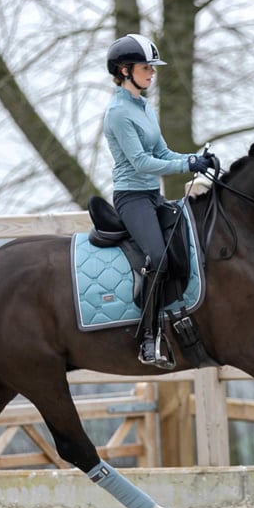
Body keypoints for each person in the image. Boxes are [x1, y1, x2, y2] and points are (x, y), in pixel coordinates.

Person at [103, 33, 212, 367]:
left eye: (153, 67)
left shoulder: (143, 106)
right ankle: (148, 340)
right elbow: (142, 163)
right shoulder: (119, 113)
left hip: (153, 195)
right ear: (124, 70)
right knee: (157, 258)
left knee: (189, 247)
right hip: (132, 198)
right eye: (145, 67)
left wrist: (198, 157)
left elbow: (162, 152)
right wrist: (187, 165)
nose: (152, 73)